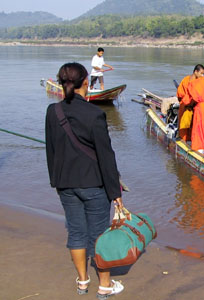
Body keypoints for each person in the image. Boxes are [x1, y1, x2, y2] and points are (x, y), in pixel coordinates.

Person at [45, 63, 124, 299]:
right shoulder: (95, 114)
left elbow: (51, 150)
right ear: (86, 83)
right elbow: (105, 155)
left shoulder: (53, 111)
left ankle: (82, 282)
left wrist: (56, 182)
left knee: (76, 233)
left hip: (66, 183)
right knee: (100, 235)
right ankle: (105, 286)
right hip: (94, 184)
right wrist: (115, 192)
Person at [176, 64, 204, 141]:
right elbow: (180, 94)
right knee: (183, 126)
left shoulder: (199, 82)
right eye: (201, 73)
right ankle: (182, 140)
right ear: (195, 71)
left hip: (194, 107)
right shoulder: (186, 80)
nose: (202, 75)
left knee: (193, 126)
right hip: (185, 106)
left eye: (203, 74)